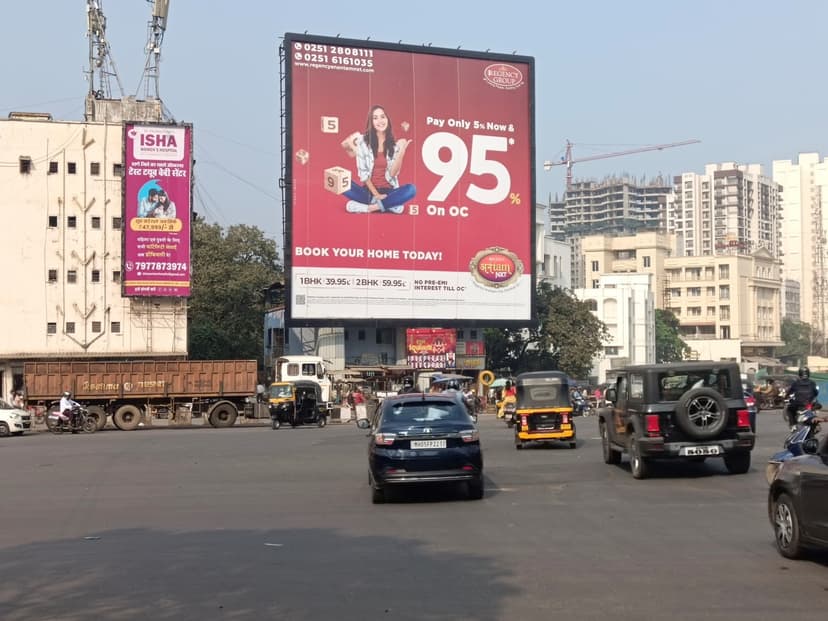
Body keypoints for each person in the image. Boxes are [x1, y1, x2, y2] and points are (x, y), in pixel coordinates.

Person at [343, 105, 416, 214]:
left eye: (382, 117)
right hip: (369, 191)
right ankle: (388, 205)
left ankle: (371, 207)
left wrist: (401, 152)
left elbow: (393, 173)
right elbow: (363, 175)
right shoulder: (362, 142)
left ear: (387, 120)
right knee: (343, 182)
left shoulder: (394, 146)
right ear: (371, 122)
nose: (380, 121)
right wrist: (377, 195)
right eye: (375, 118)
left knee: (411, 189)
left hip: (388, 191)